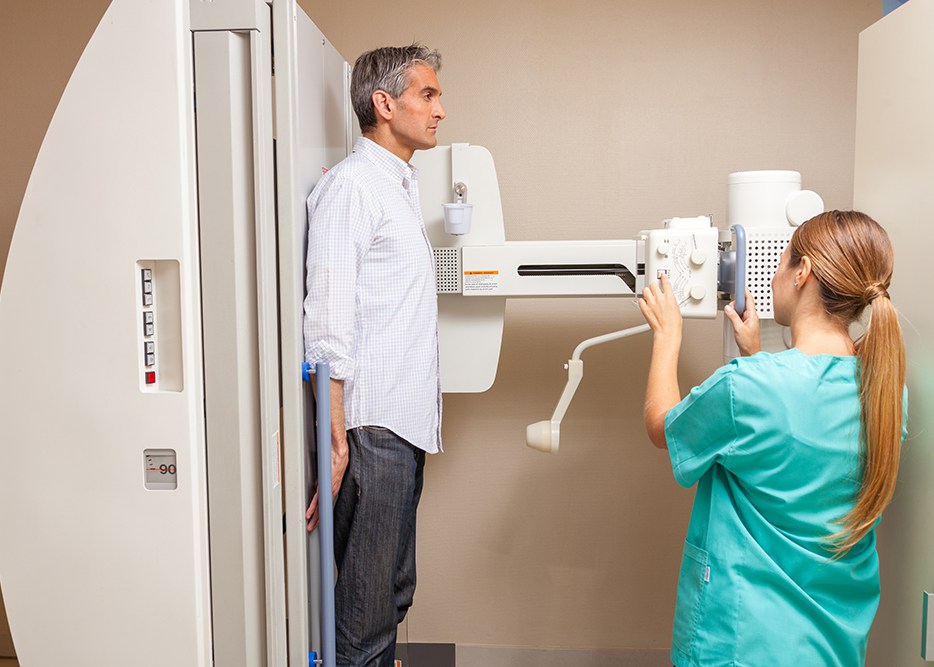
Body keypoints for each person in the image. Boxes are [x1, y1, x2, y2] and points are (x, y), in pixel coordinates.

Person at [638, 211, 908, 666]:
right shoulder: (886, 393)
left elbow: (660, 425)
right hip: (831, 646)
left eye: (782, 261)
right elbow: (799, 451)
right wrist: (755, 357)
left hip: (742, 643)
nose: (775, 273)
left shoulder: (748, 387)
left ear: (802, 272)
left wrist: (667, 336)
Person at [302, 44, 446, 667]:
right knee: (365, 620)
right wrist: (335, 441)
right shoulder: (352, 188)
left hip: (403, 429)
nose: (439, 109)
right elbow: (327, 324)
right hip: (371, 431)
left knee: (392, 593)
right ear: (385, 104)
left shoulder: (398, 188)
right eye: (427, 94)